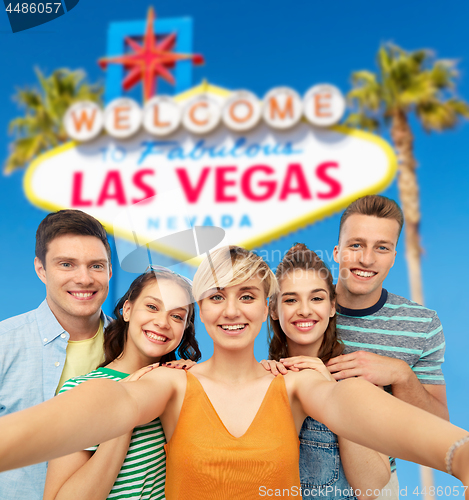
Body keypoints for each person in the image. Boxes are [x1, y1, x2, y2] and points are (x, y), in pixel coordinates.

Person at [0, 247, 468, 500]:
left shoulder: (295, 385)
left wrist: (457, 454)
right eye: (217, 296)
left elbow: (354, 404)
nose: (231, 310)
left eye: (246, 296)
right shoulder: (172, 383)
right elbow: (108, 402)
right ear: (199, 310)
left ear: (266, 311)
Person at [43, 267, 201, 500]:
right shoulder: (79, 392)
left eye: (177, 316)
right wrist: (125, 414)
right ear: (127, 310)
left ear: (184, 328)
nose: (162, 322)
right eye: (152, 307)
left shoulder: (185, 388)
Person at [326, 195, 448, 484]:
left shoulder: (422, 325)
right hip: (290, 478)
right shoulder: (297, 309)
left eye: (382, 248)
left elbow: (439, 428)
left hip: (376, 484)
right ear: (336, 251)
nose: (366, 259)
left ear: (394, 257)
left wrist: (400, 374)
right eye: (356, 245)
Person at [0, 209, 113, 500]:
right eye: (67, 264)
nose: (84, 278)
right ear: (41, 269)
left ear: (110, 270)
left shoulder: (134, 348)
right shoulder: (5, 343)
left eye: (96, 266)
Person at [265, 243, 391, 499]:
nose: (304, 309)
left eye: (317, 298)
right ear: (273, 310)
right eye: (290, 299)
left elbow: (371, 488)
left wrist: (337, 395)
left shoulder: (358, 379)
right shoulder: (263, 378)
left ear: (332, 307)